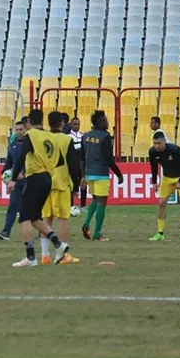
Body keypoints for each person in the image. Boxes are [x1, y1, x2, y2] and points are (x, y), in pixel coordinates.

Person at [7, 109, 72, 267]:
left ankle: (30, 257)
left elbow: (21, 157)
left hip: (35, 178)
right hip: (47, 178)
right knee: (35, 217)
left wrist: (13, 179)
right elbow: (60, 161)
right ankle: (58, 244)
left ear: (29, 122)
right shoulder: (50, 136)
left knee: (24, 217)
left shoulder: (31, 135)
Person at [40, 111, 82, 265]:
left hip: (45, 183)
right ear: (62, 123)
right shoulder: (67, 139)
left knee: (46, 219)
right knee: (63, 219)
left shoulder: (43, 139)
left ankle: (45, 255)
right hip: (62, 183)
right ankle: (63, 255)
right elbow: (74, 165)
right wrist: (76, 185)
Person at [80, 110, 124, 241]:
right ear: (101, 122)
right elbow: (109, 158)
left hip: (89, 173)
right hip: (101, 174)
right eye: (105, 120)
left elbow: (81, 157)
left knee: (95, 199)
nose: (107, 122)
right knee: (101, 203)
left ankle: (86, 224)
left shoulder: (85, 136)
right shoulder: (105, 137)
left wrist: (83, 175)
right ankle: (97, 233)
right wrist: (118, 174)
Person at [148, 131, 180, 241]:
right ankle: (160, 233)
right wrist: (154, 182)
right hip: (167, 178)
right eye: (154, 143)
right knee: (161, 203)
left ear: (164, 142)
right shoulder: (152, 152)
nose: (156, 146)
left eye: (159, 143)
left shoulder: (174, 150)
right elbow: (153, 167)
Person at [0, 120, 26, 241]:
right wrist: (3, 175)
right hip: (16, 181)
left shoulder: (30, 144)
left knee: (33, 207)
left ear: (25, 130)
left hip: (30, 180)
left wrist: (24, 173)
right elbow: (9, 162)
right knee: (13, 205)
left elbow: (34, 161)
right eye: (17, 130)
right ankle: (6, 232)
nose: (19, 132)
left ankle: (42, 233)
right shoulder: (12, 145)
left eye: (21, 129)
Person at [69, 117, 87, 210]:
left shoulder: (83, 136)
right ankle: (71, 205)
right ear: (71, 125)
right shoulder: (68, 137)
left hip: (81, 163)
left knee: (83, 183)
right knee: (72, 184)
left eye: (78, 124)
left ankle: (83, 205)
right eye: (75, 124)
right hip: (72, 163)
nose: (77, 126)